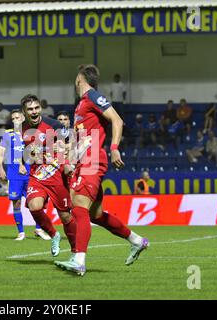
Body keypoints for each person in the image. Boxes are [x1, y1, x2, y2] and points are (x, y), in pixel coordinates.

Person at [55, 64, 148, 276]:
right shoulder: (80, 106)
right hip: (83, 161)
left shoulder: (93, 97)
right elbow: (82, 138)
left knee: (78, 206)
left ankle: (79, 260)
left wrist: (114, 148)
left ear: (80, 78)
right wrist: (70, 158)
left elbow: (117, 120)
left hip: (93, 159)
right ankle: (136, 241)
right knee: (95, 214)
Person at [20, 94, 77, 257]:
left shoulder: (54, 125)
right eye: (30, 109)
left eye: (36, 108)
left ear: (41, 108)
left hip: (56, 174)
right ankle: (54, 235)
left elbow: (68, 142)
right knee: (34, 207)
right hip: (36, 175)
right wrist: (27, 158)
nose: (34, 111)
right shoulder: (21, 128)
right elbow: (28, 152)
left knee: (65, 216)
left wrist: (67, 162)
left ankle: (75, 252)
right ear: (24, 111)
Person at [0, 109, 50, 241]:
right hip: (14, 173)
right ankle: (21, 232)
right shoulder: (7, 135)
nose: (16, 120)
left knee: (36, 202)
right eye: (13, 118)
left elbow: (37, 150)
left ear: (23, 118)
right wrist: (0, 168)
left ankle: (39, 229)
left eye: (18, 117)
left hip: (31, 173)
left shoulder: (31, 134)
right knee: (16, 203)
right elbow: (1, 153)